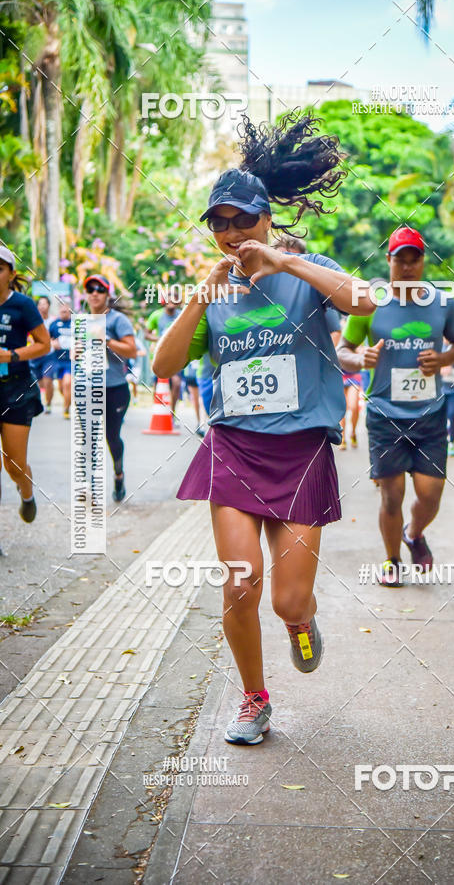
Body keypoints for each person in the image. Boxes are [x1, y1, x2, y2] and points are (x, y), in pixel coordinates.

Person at [153, 112, 373, 745]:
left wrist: (286, 264)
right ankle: (254, 699)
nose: (230, 233)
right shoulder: (215, 293)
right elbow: (164, 365)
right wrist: (201, 295)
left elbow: (364, 301)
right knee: (241, 582)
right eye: (218, 223)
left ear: (267, 218)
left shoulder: (308, 271)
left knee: (287, 601)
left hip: (301, 451)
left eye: (242, 220)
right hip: (234, 448)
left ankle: (301, 623)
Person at [337, 226, 454, 585]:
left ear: (423, 261)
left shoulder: (442, 303)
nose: (408, 267)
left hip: (430, 414)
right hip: (384, 414)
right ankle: (392, 561)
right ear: (388, 261)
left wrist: (442, 360)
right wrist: (361, 357)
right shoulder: (369, 304)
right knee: (391, 496)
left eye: (415, 259)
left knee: (430, 495)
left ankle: (414, 533)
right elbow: (343, 351)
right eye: (400, 260)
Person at [0, 247, 51, 546]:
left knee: (14, 464)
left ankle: (27, 494)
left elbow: (44, 344)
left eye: (0, 268)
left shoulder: (23, 305)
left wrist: (11, 355)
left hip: (16, 389)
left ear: (11, 274)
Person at [82, 274, 137, 502]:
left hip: (115, 389)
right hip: (88, 388)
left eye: (100, 289)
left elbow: (132, 350)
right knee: (88, 438)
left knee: (111, 437)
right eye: (90, 289)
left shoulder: (117, 320)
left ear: (107, 294)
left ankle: (118, 475)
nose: (94, 293)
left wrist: (106, 340)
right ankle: (91, 486)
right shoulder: (83, 321)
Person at [145, 291, 183, 425]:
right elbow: (146, 334)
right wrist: (160, 339)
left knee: (176, 383)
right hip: (159, 355)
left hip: (177, 355)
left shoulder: (182, 314)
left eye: (174, 299)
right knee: (158, 385)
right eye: (169, 299)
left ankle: (172, 414)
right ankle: (158, 411)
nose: (171, 302)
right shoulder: (156, 315)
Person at [29, 295, 55, 412]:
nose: (42, 306)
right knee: (39, 383)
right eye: (40, 304)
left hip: (49, 356)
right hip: (35, 356)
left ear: (49, 305)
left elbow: (56, 336)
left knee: (48, 380)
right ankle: (41, 402)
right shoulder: (32, 320)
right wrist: (32, 341)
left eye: (44, 303)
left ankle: (48, 404)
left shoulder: (53, 321)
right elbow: (27, 334)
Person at [48, 298, 73, 419]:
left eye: (66, 309)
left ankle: (66, 409)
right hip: (57, 360)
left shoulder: (76, 323)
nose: (64, 311)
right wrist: (52, 343)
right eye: (62, 309)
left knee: (68, 383)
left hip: (71, 360)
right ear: (59, 310)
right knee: (62, 387)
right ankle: (68, 400)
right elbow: (47, 340)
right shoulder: (54, 324)